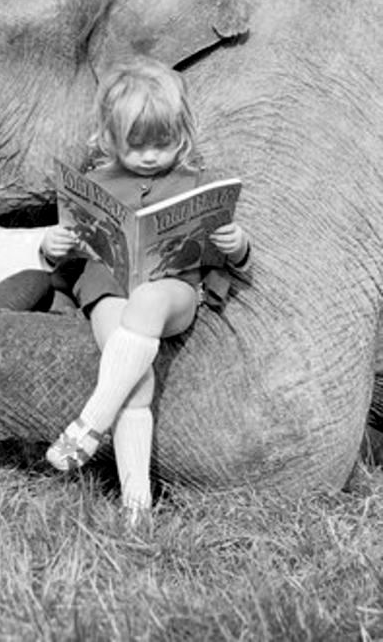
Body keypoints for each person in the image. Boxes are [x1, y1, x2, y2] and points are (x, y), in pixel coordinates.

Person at [39, 56, 251, 525]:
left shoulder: (197, 182)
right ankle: (138, 506)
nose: (152, 156)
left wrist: (237, 245)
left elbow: (230, 257)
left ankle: (90, 422)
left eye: (164, 142)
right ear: (111, 138)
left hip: (172, 289)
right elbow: (66, 255)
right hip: (109, 290)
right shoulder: (94, 184)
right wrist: (51, 247)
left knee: (150, 301)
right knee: (137, 378)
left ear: (184, 132)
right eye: (137, 146)